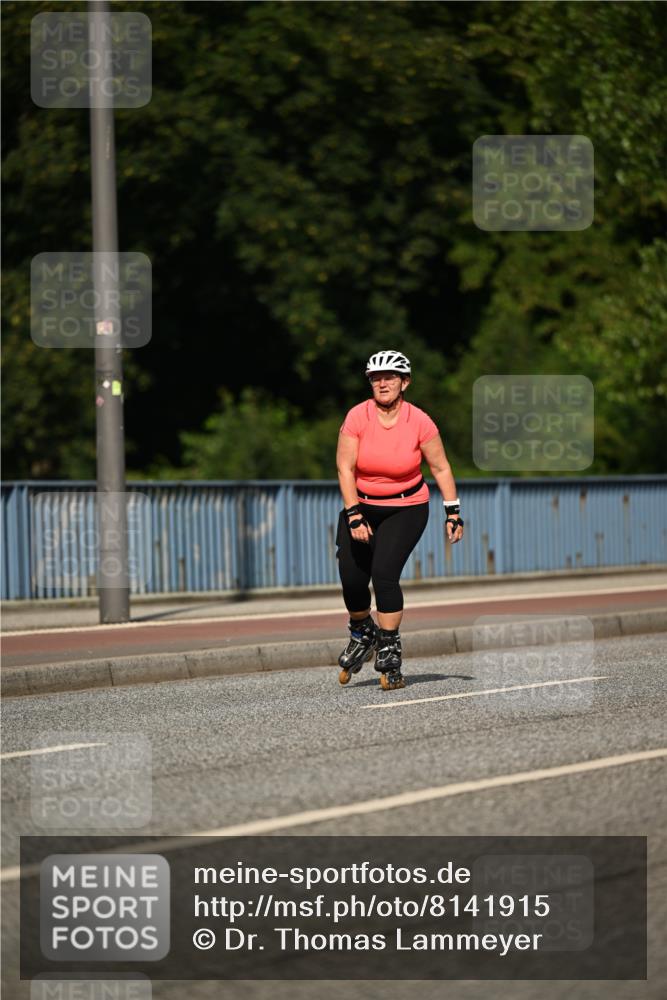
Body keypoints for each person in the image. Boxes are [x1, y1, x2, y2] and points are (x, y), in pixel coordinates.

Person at [335, 349, 464, 691]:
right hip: (361, 505)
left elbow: (440, 467)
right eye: (376, 378)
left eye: (389, 377)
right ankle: (363, 631)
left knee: (384, 574)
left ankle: (389, 644)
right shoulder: (357, 417)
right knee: (351, 577)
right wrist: (353, 514)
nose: (382, 383)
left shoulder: (419, 421)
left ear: (404, 382)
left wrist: (453, 512)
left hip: (406, 507)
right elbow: (345, 467)